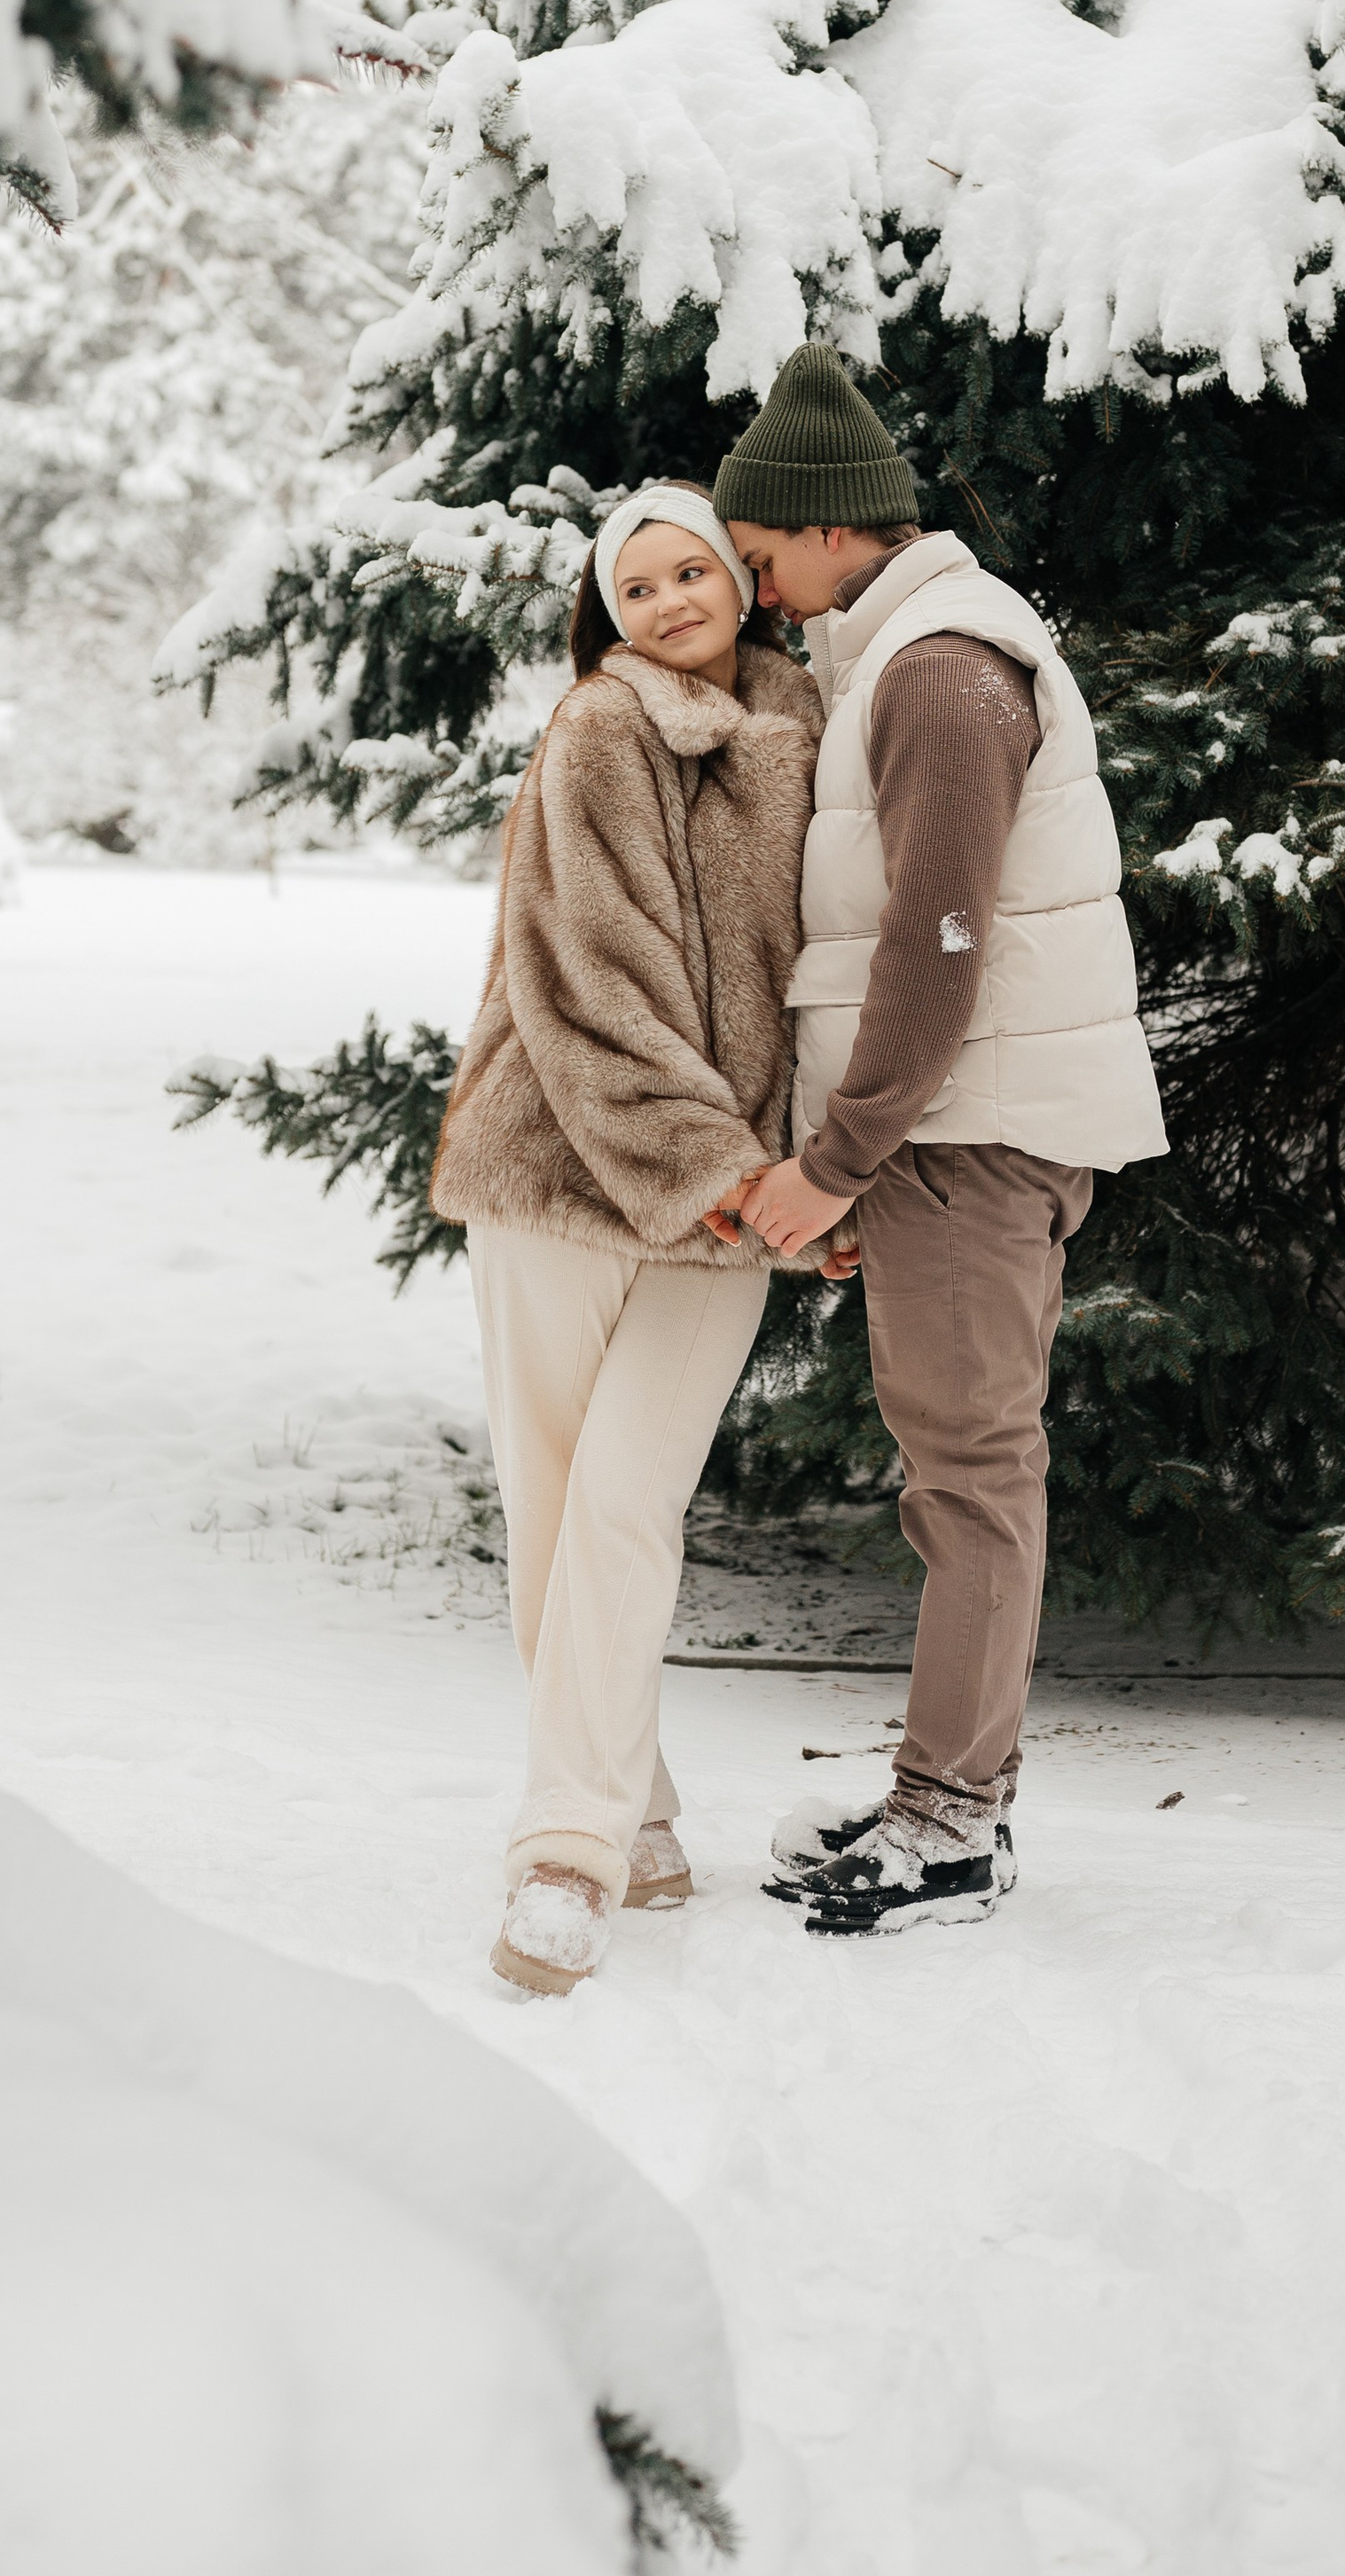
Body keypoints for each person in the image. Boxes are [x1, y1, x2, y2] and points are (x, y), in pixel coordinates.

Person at [716, 345, 1168, 1937]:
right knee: (958, 1468)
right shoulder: (914, 653)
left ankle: (952, 1823)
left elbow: (939, 948)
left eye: (761, 553)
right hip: (952, 1138)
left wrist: (837, 1158)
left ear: (831, 528)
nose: (755, 589)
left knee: (973, 1472)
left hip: (971, 1137)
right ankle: (942, 1787)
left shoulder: (938, 668)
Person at [430, 482, 837, 1996]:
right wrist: (722, 1167)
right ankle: (592, 1843)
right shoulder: (597, 732)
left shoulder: (812, 731)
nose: (670, 603)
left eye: (692, 572)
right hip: (560, 1168)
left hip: (726, 1200)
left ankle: (587, 1823)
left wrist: (806, 1174)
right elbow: (591, 984)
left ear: (741, 578)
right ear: (612, 612)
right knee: (558, 1503)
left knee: (627, 1501)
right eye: (639, 586)